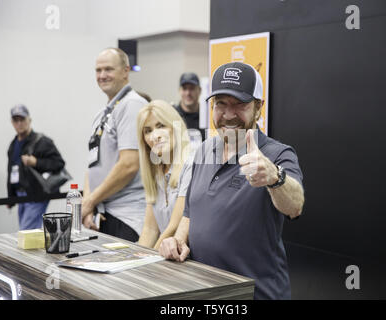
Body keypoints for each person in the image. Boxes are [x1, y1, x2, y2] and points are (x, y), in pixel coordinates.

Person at [159, 62, 305, 300]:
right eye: (221, 104)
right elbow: (189, 213)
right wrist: (177, 240)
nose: (228, 114)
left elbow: (295, 205)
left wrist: (275, 178)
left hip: (255, 295)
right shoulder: (203, 151)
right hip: (204, 292)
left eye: (240, 104)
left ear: (259, 107)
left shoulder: (277, 154)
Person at [82, 48, 148, 242]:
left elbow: (129, 164)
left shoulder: (132, 105)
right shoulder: (102, 114)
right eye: (98, 70)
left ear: (125, 71)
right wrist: (88, 204)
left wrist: (90, 201)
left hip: (128, 217)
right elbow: (92, 166)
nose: (102, 75)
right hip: (105, 213)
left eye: (108, 69)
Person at [136, 100, 192, 250]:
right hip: (165, 257)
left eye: (161, 126)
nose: (155, 136)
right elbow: (150, 229)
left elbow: (174, 227)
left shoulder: (190, 164)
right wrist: (135, 260)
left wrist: (148, 260)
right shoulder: (156, 172)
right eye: (148, 131)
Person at [7, 104, 66, 230]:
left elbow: (59, 163)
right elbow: (11, 171)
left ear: (29, 120)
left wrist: (36, 162)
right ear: (12, 122)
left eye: (22, 119)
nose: (19, 123)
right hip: (21, 195)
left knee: (26, 231)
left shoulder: (42, 141)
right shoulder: (13, 144)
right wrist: (11, 198)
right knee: (27, 233)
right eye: (16, 120)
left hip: (37, 194)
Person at [174, 72, 206, 142]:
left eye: (192, 89)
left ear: (200, 90)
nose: (188, 93)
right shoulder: (172, 115)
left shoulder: (207, 116)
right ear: (179, 91)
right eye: (184, 89)